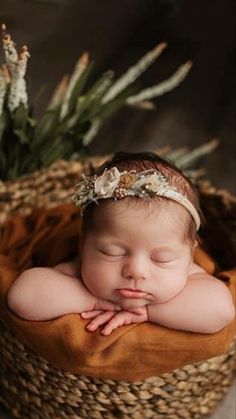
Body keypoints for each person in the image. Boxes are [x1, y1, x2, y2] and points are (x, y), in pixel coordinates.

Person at [7, 152, 235, 335]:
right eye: (112, 252)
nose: (136, 270)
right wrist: (93, 300)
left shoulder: (191, 276)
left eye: (161, 258)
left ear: (189, 254)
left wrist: (148, 312)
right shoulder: (77, 271)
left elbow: (221, 310)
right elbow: (22, 296)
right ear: (83, 245)